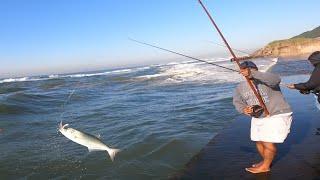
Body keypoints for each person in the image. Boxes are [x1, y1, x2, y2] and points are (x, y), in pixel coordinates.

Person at [233, 61, 293, 174]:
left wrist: (253, 74)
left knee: (267, 141)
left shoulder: (267, 80)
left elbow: (276, 79)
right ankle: (266, 161)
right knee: (258, 141)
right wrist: (244, 109)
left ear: (255, 69)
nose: (246, 72)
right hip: (258, 116)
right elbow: (237, 102)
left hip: (276, 113)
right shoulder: (240, 87)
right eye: (244, 70)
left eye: (249, 69)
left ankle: (265, 166)